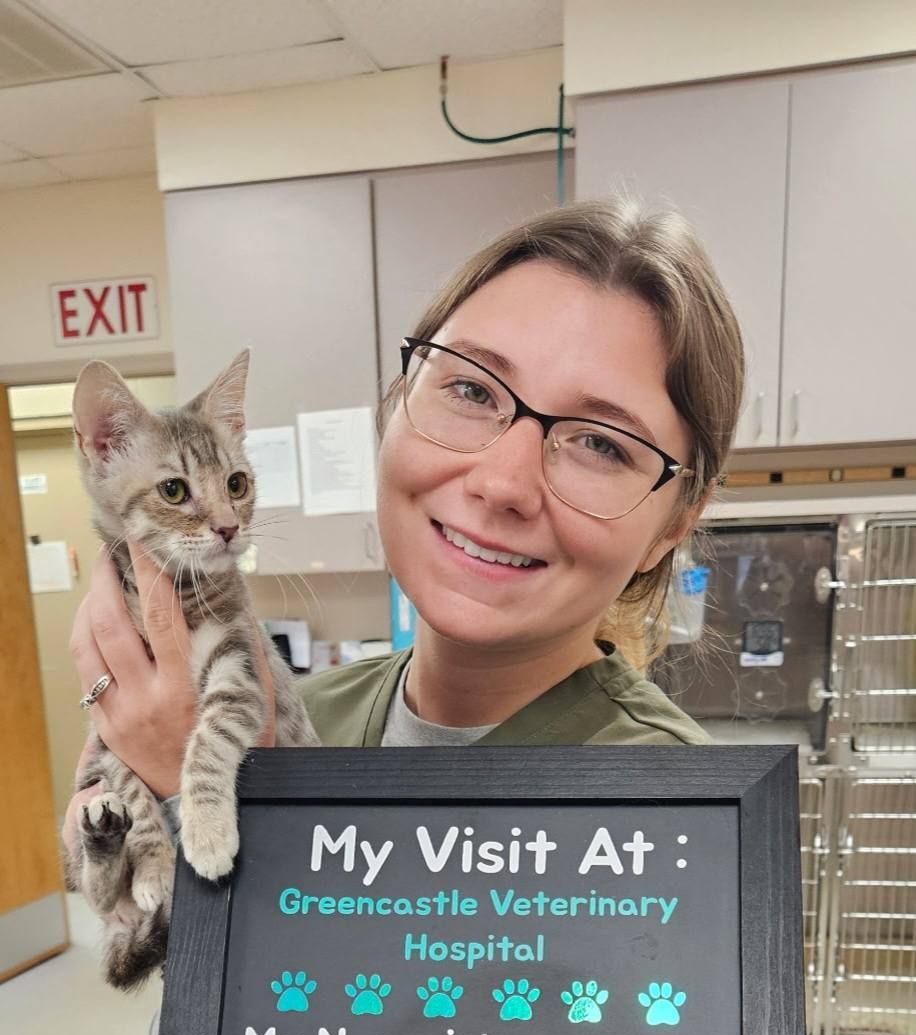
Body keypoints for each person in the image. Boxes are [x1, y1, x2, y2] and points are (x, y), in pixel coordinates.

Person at [65, 195, 744, 840]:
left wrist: (192, 794)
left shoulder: (690, 820)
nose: (504, 482)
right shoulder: (301, 716)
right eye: (472, 388)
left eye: (600, 442)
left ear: (675, 523)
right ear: (394, 401)